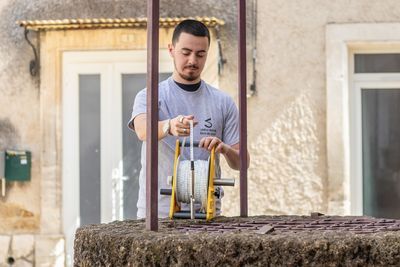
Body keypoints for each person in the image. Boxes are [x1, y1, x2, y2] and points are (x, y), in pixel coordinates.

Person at [128, 19, 249, 219]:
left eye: (200, 54)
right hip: (158, 215)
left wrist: (224, 148)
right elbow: (142, 131)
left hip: (208, 215)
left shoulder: (223, 102)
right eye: (186, 52)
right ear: (171, 50)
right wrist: (169, 126)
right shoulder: (149, 96)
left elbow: (242, 163)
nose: (193, 60)